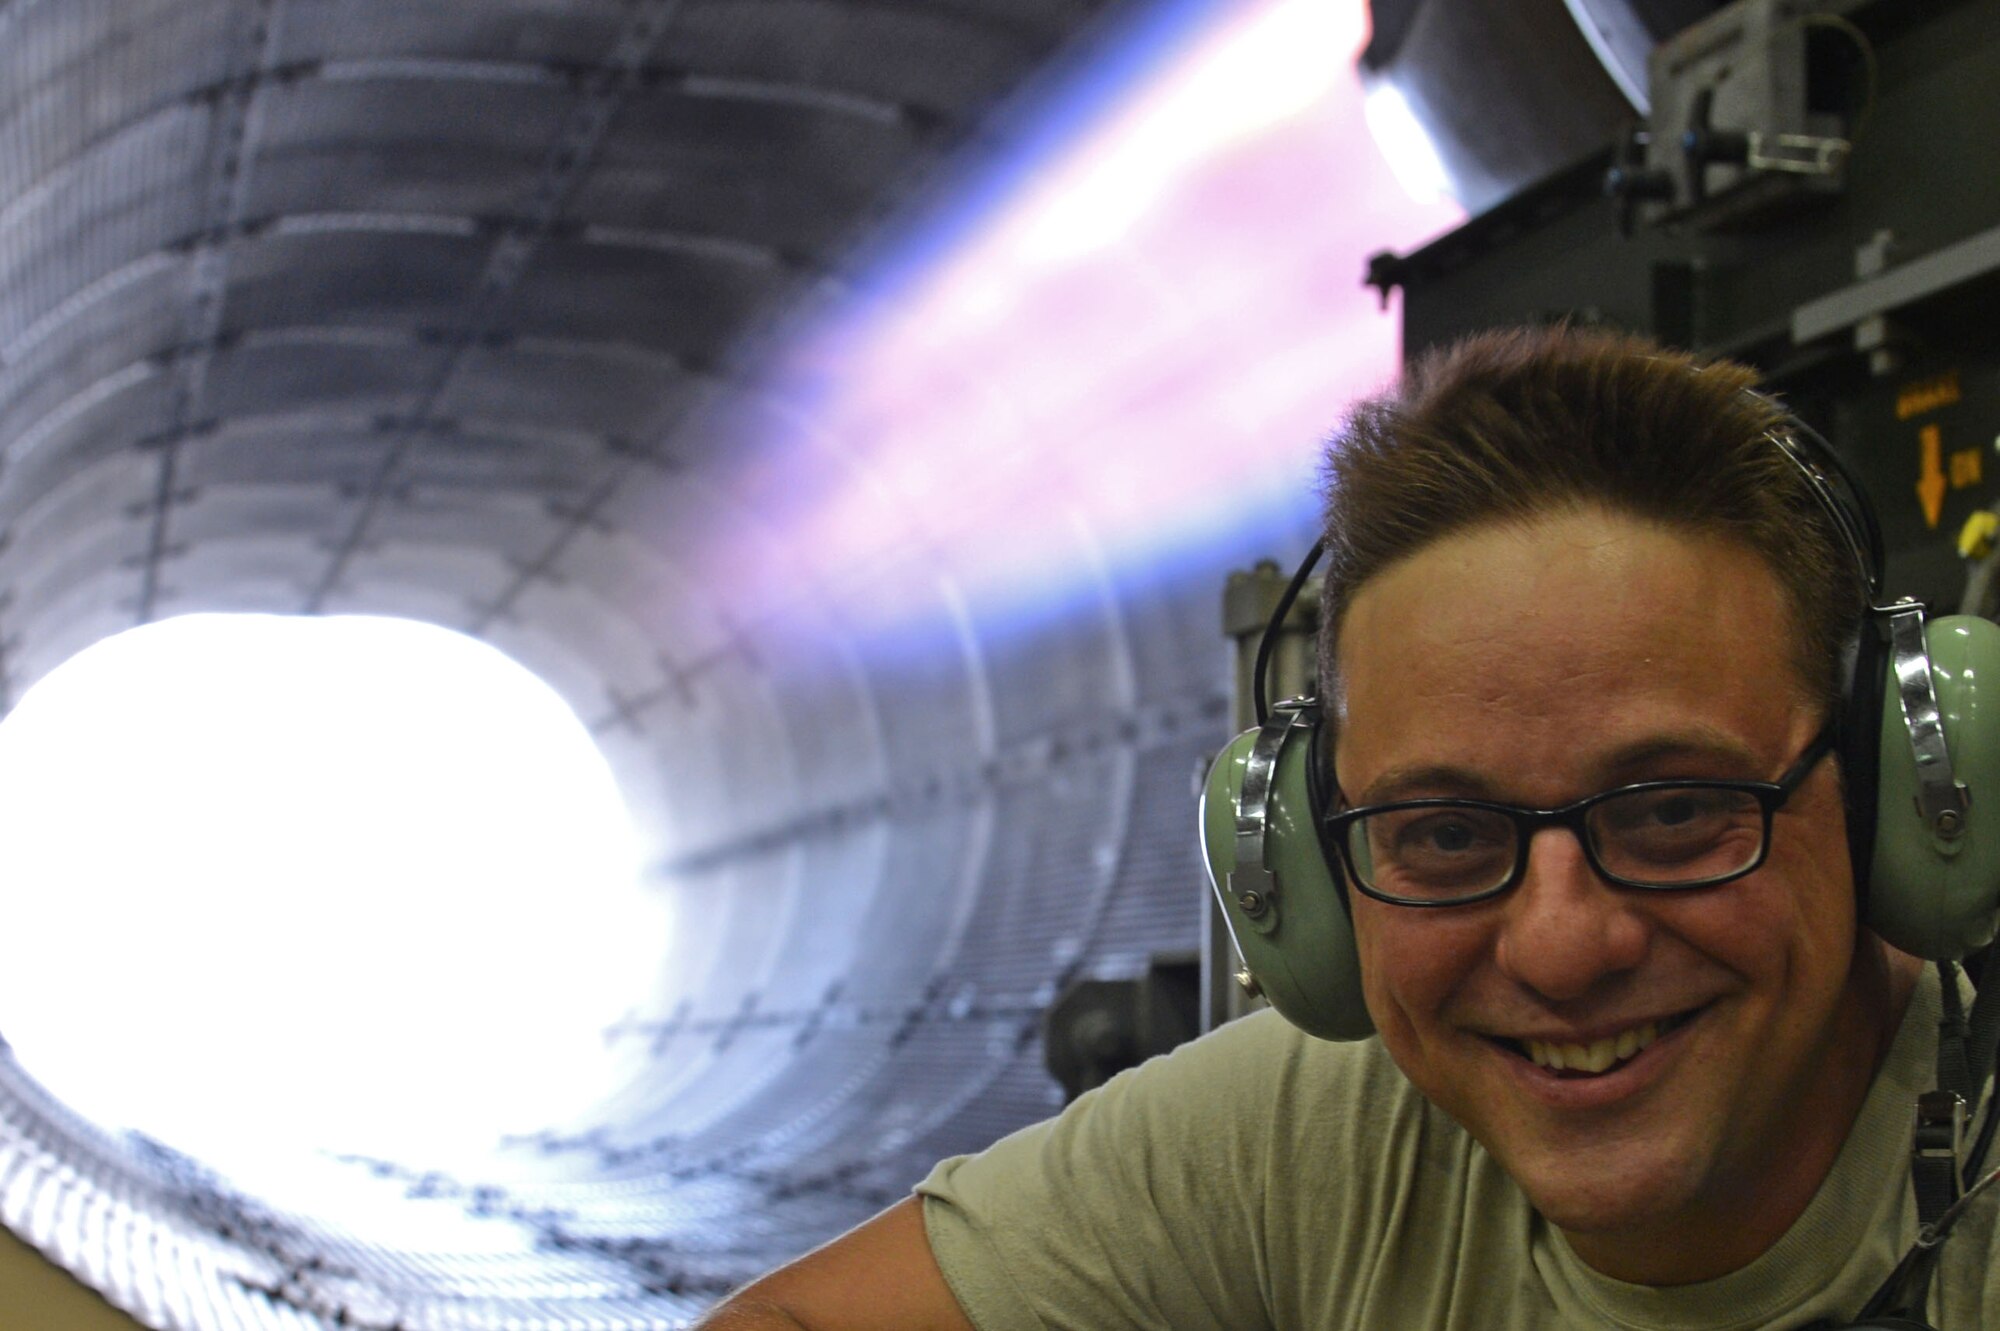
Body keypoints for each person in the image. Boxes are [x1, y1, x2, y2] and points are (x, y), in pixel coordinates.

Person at [694, 326, 2000, 1329]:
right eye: (1443, 836)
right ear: (1315, 877)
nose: (1558, 947)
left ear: (1888, 797)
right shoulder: (1311, 1136)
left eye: (1673, 811)